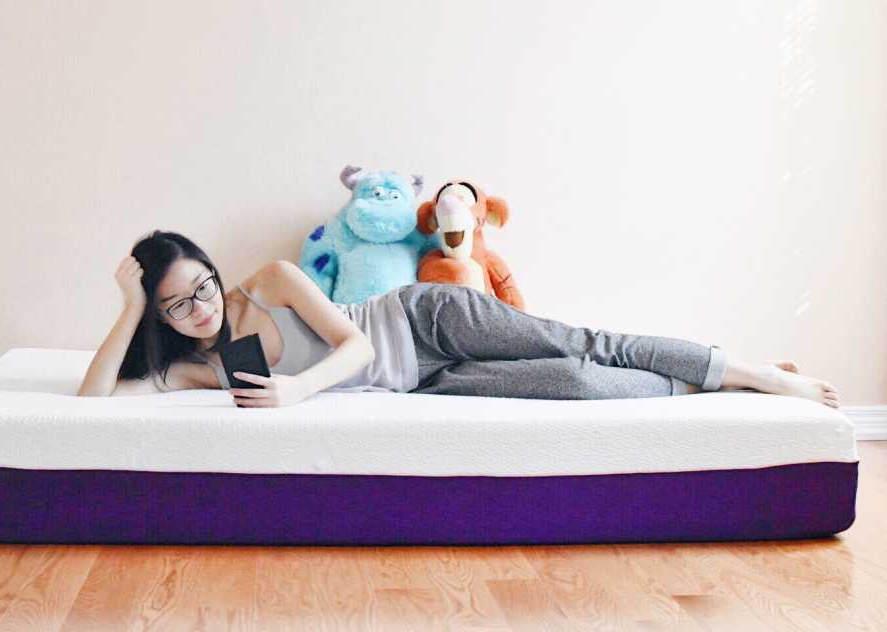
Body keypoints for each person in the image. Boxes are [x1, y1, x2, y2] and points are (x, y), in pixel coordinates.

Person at [77, 230, 842, 410]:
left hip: (425, 322)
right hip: (426, 382)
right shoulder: (192, 364)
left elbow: (348, 346)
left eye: (201, 284)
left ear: (216, 273)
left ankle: (753, 372)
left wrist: (295, 393)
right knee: (573, 384)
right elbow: (93, 401)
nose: (202, 305)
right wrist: (131, 306)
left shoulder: (266, 285)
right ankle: (712, 393)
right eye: (179, 301)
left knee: (581, 343)